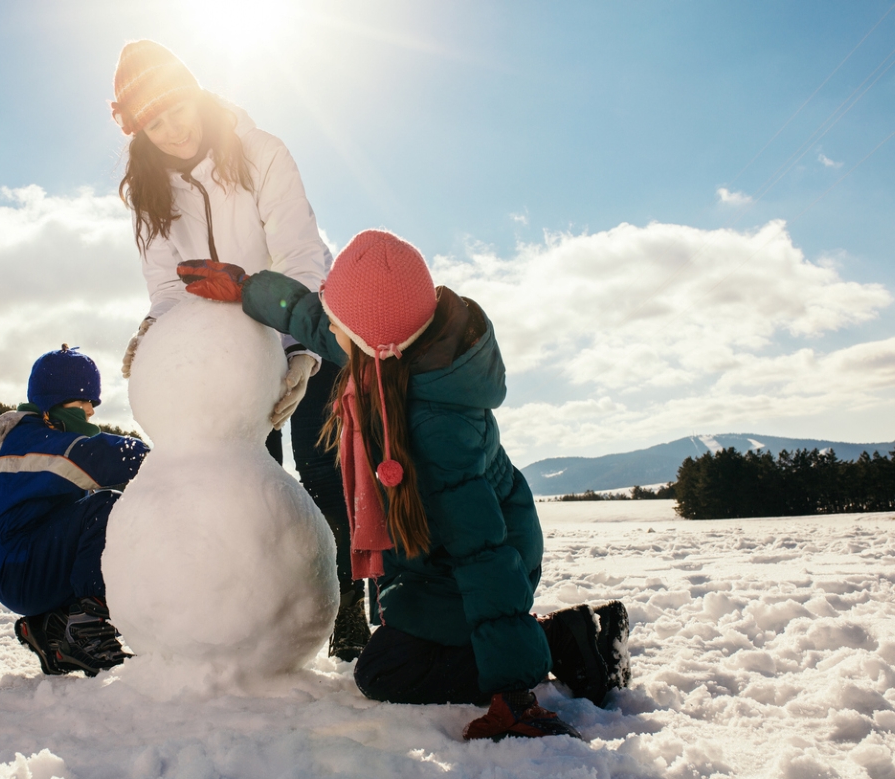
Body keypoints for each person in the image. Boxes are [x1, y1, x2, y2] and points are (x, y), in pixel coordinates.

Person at [178, 230, 631, 742]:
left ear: (373, 341)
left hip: (481, 559)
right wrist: (247, 286)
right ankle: (529, 640)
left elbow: (484, 556)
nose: (328, 330)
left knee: (384, 673)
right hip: (434, 559)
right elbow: (311, 317)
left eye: (338, 322)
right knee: (396, 640)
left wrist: (513, 692)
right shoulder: (393, 351)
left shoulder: (439, 430)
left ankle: (563, 644)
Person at [110, 40, 370, 659]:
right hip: (232, 355)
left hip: (308, 323)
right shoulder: (150, 192)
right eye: (153, 121)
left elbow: (302, 258)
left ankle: (349, 615)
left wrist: (304, 352)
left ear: (193, 93)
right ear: (138, 129)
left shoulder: (259, 153)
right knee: (251, 480)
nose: (171, 128)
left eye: (176, 108)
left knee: (323, 470)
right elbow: (169, 290)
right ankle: (265, 616)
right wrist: (152, 334)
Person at [0, 344, 150, 676]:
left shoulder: (37, 436)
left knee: (89, 518)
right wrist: (165, 456)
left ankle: (52, 633)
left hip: (28, 564)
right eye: (83, 401)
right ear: (52, 404)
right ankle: (86, 629)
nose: (90, 411)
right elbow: (100, 457)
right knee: (105, 510)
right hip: (22, 569)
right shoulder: (31, 440)